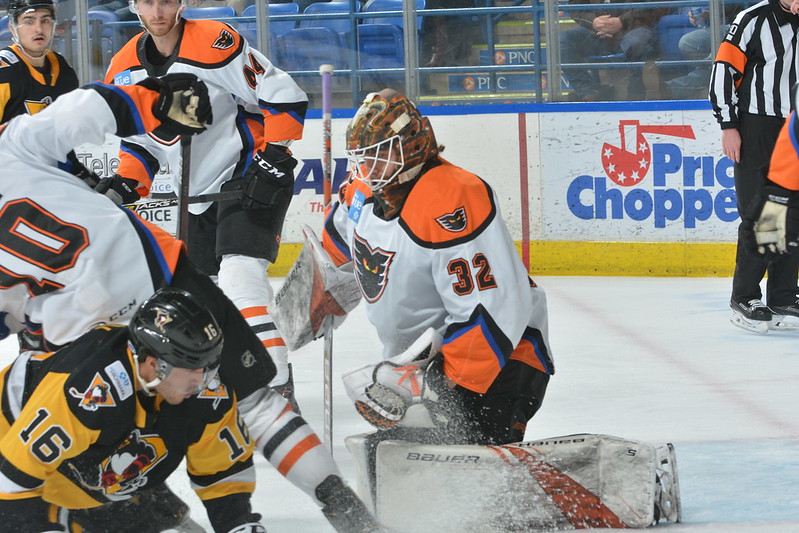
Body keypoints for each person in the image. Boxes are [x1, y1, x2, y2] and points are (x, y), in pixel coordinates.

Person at [0, 77, 383, 532]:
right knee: (248, 400)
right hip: (148, 277)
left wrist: (151, 103)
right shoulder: (10, 147)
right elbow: (86, 110)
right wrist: (156, 100)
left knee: (103, 435)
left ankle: (158, 511)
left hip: (86, 328)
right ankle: (340, 507)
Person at [0, 288, 381, 533]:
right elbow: (11, 490)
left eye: (210, 364)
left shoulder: (202, 393)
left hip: (91, 477)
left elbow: (222, 482)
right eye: (194, 368)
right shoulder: (88, 391)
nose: (207, 379)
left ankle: (150, 505)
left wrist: (238, 525)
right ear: (152, 364)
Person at [102, 0, 309, 409]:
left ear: (180, 3)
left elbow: (281, 94)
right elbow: (142, 146)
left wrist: (278, 155)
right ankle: (228, 382)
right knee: (202, 297)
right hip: (192, 194)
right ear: (133, 6)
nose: (157, 11)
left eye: (166, 1)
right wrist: (123, 185)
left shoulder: (215, 41)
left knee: (239, 276)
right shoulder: (123, 67)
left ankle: (277, 386)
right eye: (147, 2)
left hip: (248, 172)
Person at [319, 88, 553, 446]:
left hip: (500, 364)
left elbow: (491, 312)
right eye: (362, 159)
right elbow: (337, 246)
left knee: (477, 476)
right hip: (425, 368)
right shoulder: (363, 191)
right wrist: (322, 293)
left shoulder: (452, 199)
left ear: (411, 145)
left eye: (379, 155)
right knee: (406, 466)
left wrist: (430, 387)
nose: (368, 168)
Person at [708, 0, 799, 334]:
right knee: (761, 211)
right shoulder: (753, 18)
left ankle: (783, 295)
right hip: (758, 125)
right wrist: (728, 125)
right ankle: (745, 296)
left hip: (794, 127)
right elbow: (723, 70)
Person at [560, 0, 665, 101]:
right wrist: (593, 22)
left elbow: (655, 5)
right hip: (598, 32)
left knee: (637, 42)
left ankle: (635, 94)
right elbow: (575, 6)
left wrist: (622, 21)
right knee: (563, 39)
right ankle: (587, 93)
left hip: (634, 28)